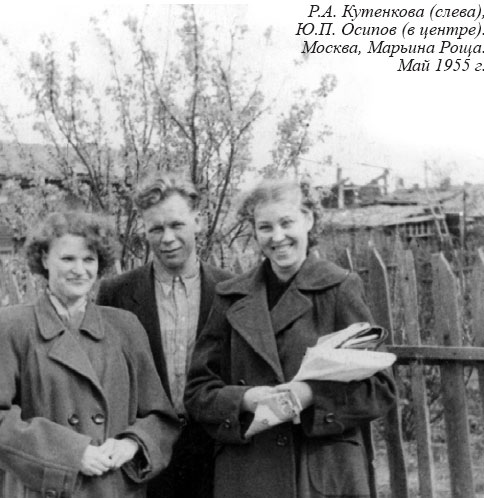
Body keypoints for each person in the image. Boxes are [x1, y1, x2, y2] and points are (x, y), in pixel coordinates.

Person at [184, 179, 397, 498]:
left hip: (321, 473)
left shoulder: (339, 288)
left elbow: (380, 388)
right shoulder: (230, 297)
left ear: (308, 219)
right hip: (249, 473)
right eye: (265, 227)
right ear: (254, 231)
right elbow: (198, 392)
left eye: (286, 223)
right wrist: (247, 398)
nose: (277, 237)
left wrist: (309, 394)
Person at [0, 211, 179, 498]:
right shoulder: (12, 327)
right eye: (67, 259)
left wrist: (132, 443)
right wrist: (71, 454)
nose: (79, 270)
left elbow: (160, 416)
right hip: (43, 489)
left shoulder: (126, 327)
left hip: (114, 488)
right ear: (44, 259)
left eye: (89, 259)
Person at [96, 173, 233, 498]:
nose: (167, 238)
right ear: (143, 230)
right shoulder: (117, 293)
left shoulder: (231, 291)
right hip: (146, 450)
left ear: (197, 221)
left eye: (176, 225)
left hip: (216, 448)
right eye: (156, 228)